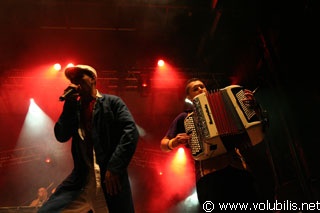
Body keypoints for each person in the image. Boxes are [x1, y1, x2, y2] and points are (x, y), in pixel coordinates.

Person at [38, 65, 139, 213]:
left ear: (93, 79)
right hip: (82, 182)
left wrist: (115, 167)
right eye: (72, 80)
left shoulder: (112, 103)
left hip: (109, 181)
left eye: (79, 78)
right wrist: (69, 106)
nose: (75, 83)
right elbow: (61, 135)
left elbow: (131, 132)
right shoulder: (75, 108)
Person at [160, 78, 263, 207]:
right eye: (195, 88)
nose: (200, 89)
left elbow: (253, 123)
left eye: (202, 86)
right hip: (209, 175)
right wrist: (173, 142)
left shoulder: (227, 104)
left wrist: (250, 107)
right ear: (189, 97)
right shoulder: (185, 117)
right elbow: (163, 144)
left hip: (238, 167)